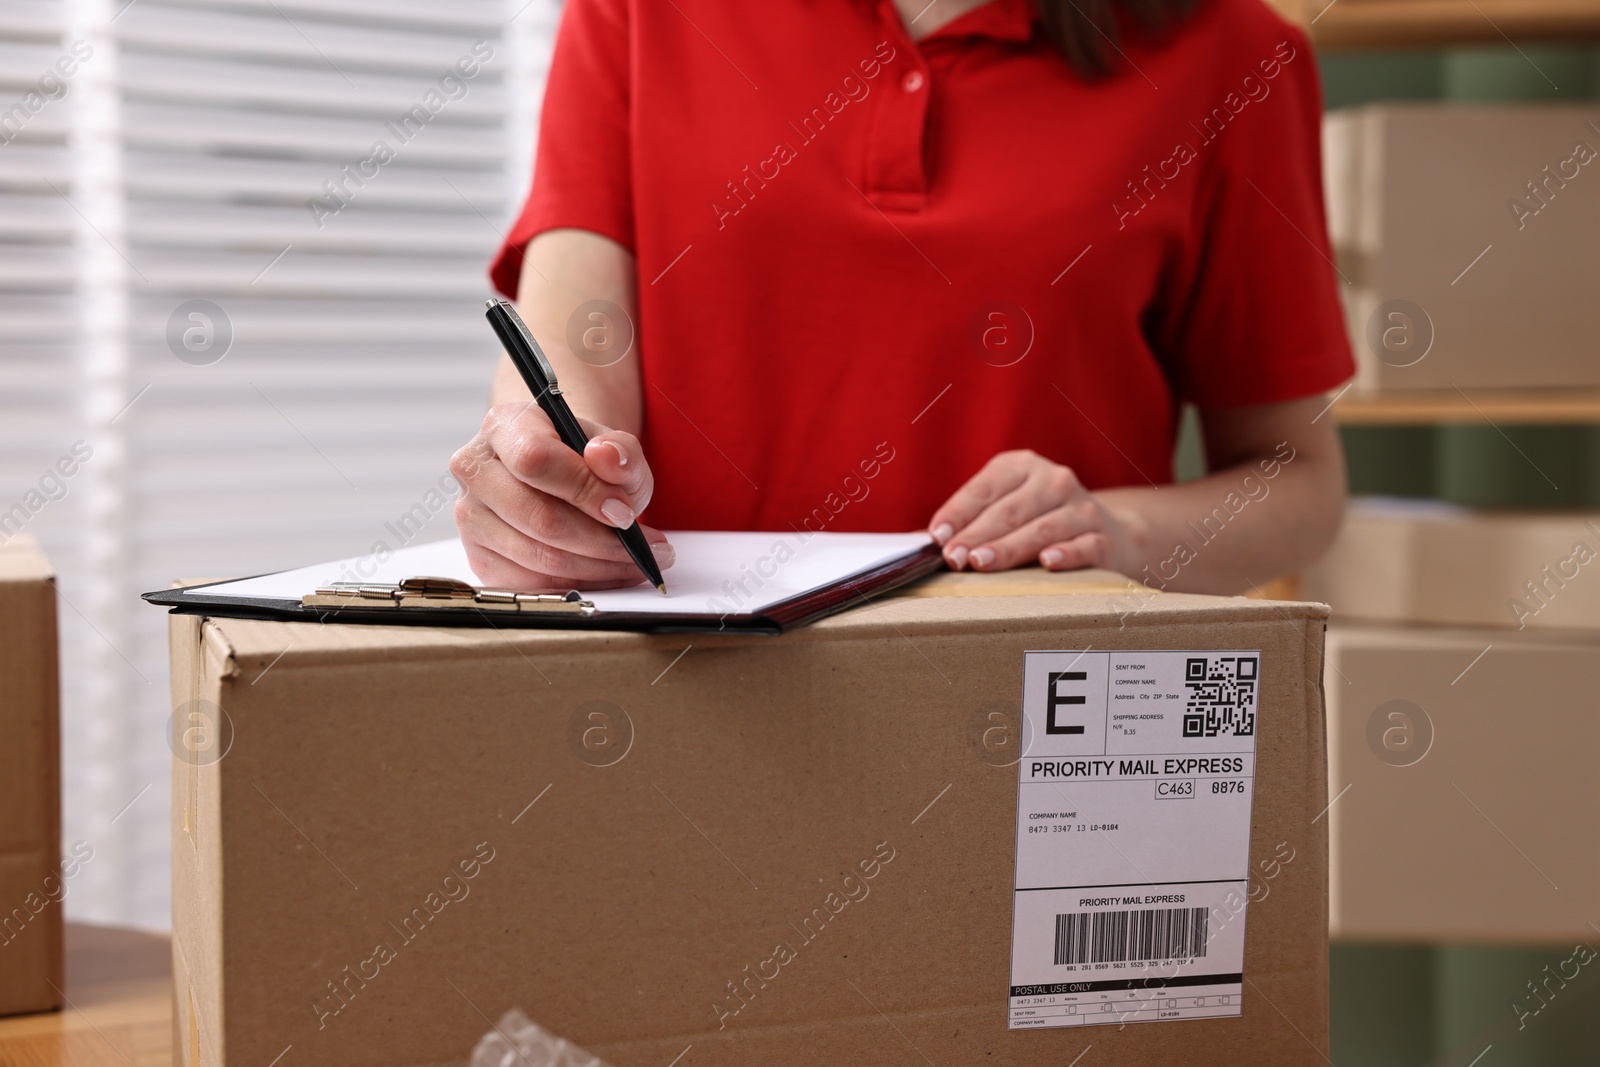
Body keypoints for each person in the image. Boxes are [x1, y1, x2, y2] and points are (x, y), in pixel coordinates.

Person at [451, 0, 1352, 594]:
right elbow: (569, 369)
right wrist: (542, 482)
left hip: (1041, 728)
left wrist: (1118, 533)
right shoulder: (638, 13)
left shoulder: (1235, 57)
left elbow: (1300, 485)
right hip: (687, 702)